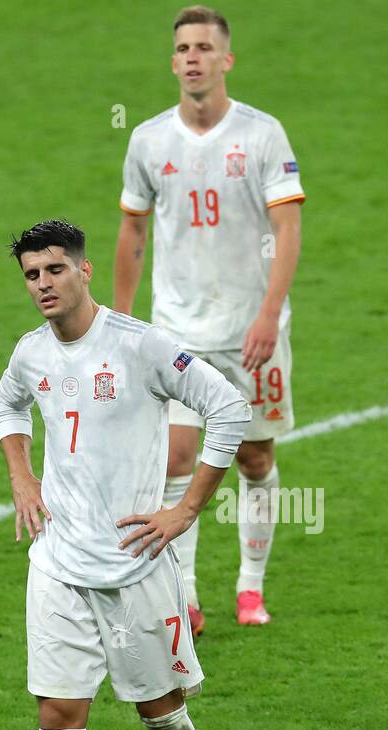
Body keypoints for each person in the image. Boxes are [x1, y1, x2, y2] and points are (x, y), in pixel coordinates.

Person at [0, 219, 250, 730]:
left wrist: (186, 509)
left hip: (135, 569)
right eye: (31, 276)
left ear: (84, 271)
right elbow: (7, 403)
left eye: (53, 270)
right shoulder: (31, 354)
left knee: (162, 720)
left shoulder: (140, 346)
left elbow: (227, 405)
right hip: (58, 567)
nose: (42, 284)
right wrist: (21, 476)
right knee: (55, 721)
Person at [114, 4, 304, 630]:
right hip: (178, 332)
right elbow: (133, 233)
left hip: (252, 333)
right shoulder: (148, 140)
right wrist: (117, 324)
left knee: (253, 459)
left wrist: (268, 315)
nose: (192, 57)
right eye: (183, 48)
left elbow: (288, 225)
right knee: (175, 460)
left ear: (227, 59)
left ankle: (250, 589)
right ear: (173, 62)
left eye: (204, 47)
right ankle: (186, 597)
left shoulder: (262, 135)